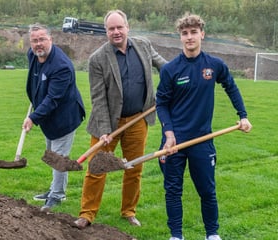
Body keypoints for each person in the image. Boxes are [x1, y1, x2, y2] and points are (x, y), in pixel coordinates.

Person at [155, 13, 253, 240]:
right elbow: (161, 104)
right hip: (174, 142)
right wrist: (169, 134)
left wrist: (243, 115)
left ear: (202, 34)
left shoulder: (214, 65)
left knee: (207, 191)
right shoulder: (170, 69)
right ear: (180, 37)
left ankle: (212, 234)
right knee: (173, 191)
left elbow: (231, 87)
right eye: (185, 33)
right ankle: (176, 236)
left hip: (202, 140)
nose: (189, 37)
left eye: (193, 32)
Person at [73, 9, 167, 229]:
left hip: (138, 120)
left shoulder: (143, 45)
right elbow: (98, 97)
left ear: (127, 27)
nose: (116, 32)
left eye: (119, 27)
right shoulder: (98, 59)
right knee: (97, 169)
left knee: (134, 169)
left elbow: (166, 67)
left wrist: (178, 80)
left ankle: (128, 211)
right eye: (111, 28)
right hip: (107, 124)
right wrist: (105, 130)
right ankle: (87, 214)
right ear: (105, 31)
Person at [23, 23, 85, 211]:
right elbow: (36, 81)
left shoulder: (62, 66)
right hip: (48, 115)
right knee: (52, 153)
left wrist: (33, 117)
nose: (38, 44)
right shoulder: (32, 55)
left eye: (42, 39)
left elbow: (53, 98)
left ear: (51, 39)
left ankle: (57, 196)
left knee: (58, 157)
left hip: (64, 117)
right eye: (34, 40)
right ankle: (54, 190)